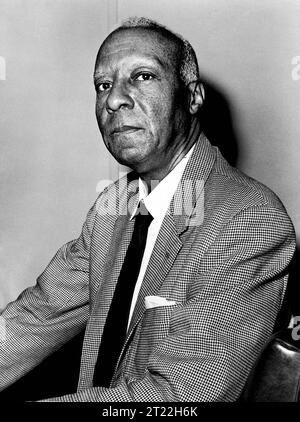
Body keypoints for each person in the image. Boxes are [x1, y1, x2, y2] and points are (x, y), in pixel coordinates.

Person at [0, 17, 296, 402]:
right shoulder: (116, 204)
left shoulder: (248, 219)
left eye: (142, 76)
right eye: (103, 85)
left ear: (192, 97)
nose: (113, 99)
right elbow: (35, 319)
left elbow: (178, 395)